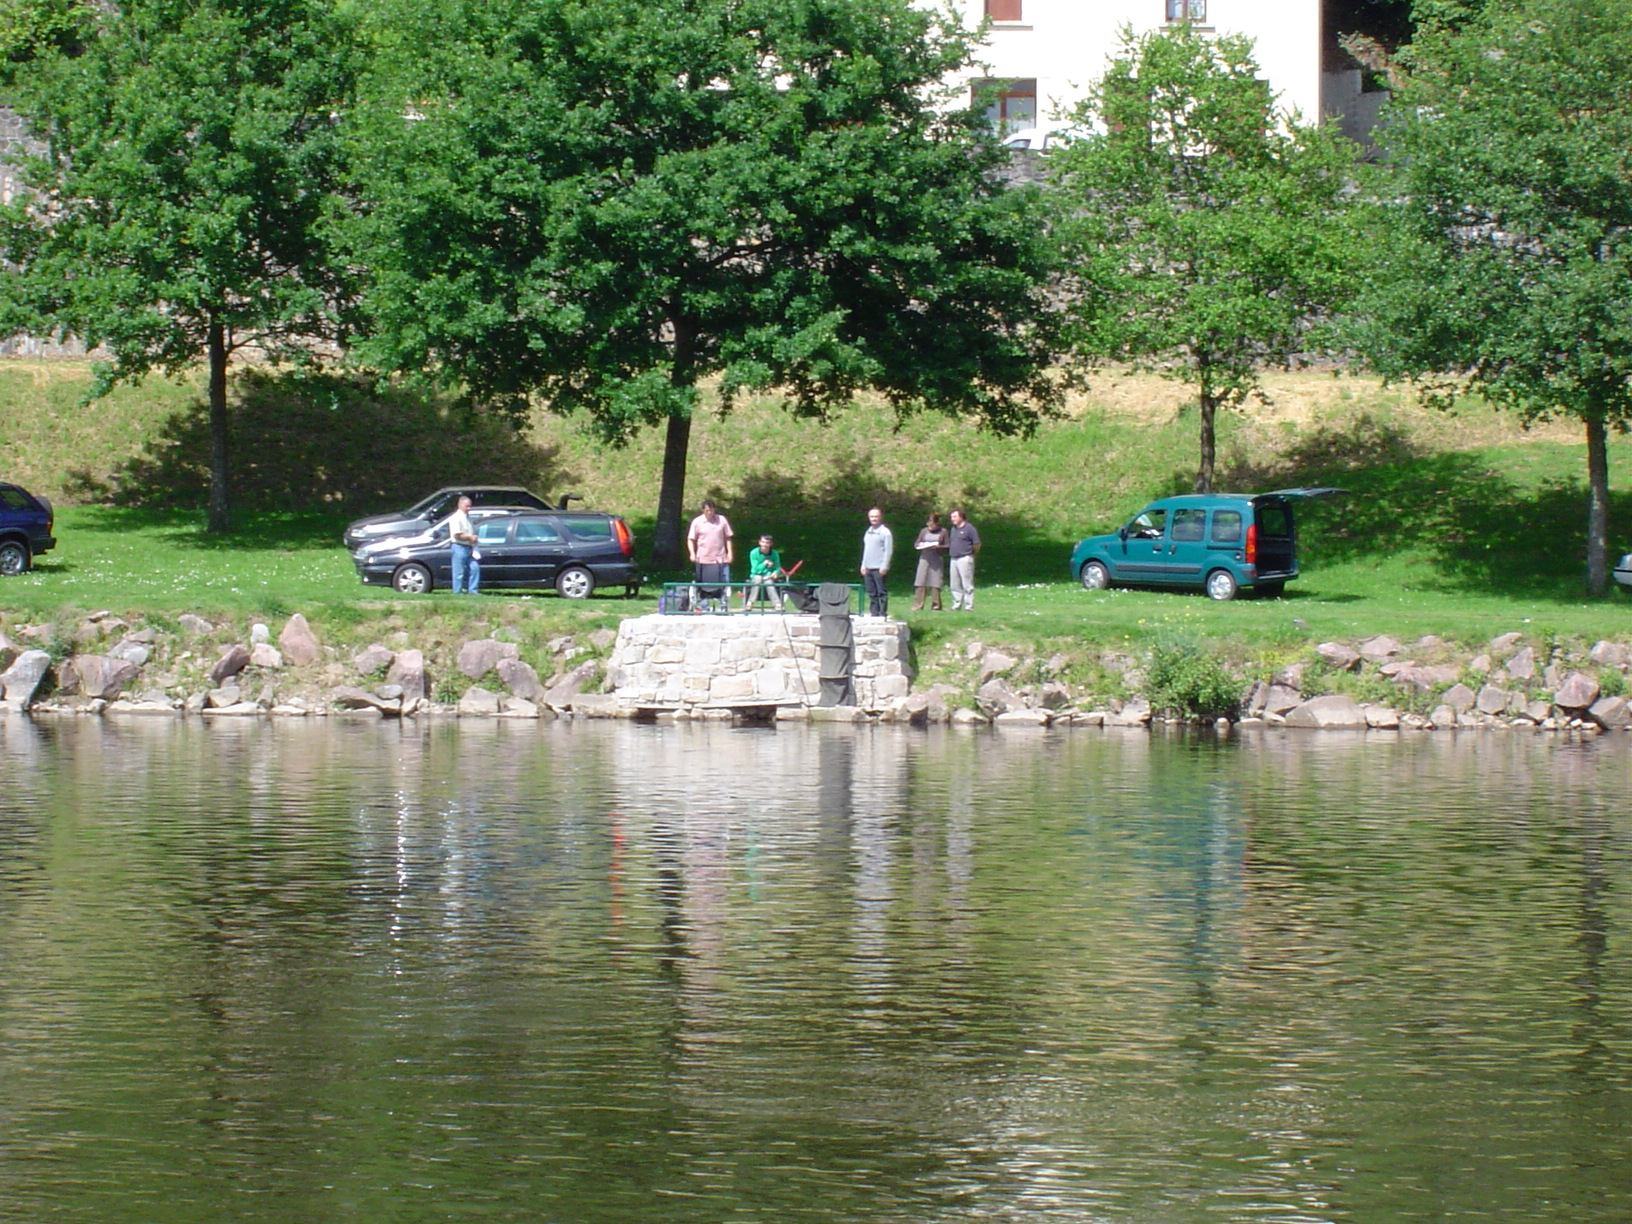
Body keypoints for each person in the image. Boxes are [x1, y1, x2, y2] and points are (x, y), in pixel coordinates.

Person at [686, 499, 734, 612]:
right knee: (703, 585)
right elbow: (690, 539)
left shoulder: (721, 520)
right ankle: (704, 607)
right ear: (703, 510)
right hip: (703, 559)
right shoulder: (697, 522)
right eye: (707, 510)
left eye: (711, 510)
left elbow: (728, 537)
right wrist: (692, 553)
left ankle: (723, 605)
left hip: (720, 558)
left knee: (724, 582)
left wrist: (730, 553)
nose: (710, 513)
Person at [859, 506, 893, 617]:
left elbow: (888, 550)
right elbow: (866, 550)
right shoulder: (868, 532)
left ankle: (882, 613)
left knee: (881, 592)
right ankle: (874, 612)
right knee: (871, 592)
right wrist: (863, 565)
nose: (874, 519)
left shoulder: (885, 532)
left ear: (880, 517)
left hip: (879, 568)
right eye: (872, 516)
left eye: (876, 516)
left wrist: (884, 566)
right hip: (868, 567)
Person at [912, 511, 949, 611]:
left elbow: (947, 546)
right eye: (928, 524)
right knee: (921, 580)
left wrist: (939, 547)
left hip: (936, 558)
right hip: (924, 557)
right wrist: (920, 545)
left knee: (935, 581)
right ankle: (918, 605)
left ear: (937, 523)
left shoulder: (943, 532)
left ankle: (936, 605)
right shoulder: (924, 531)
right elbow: (916, 543)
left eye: (932, 525)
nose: (930, 527)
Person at [947, 506, 981, 610]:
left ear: (961, 517)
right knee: (954, 584)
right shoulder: (953, 529)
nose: (952, 519)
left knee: (967, 583)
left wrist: (972, 554)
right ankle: (956, 604)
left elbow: (977, 544)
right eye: (952, 517)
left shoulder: (969, 528)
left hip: (965, 558)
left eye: (955, 517)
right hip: (954, 558)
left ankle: (969, 605)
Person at [446, 494, 480, 595]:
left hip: (469, 547)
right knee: (458, 572)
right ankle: (457, 592)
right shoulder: (456, 518)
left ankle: (473, 591)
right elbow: (457, 535)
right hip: (459, 547)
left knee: (474, 568)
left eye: (470, 506)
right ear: (460, 505)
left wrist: (473, 539)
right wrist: (470, 537)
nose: (469, 508)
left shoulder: (468, 517)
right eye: (467, 506)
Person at [743, 534, 786, 610]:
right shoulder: (754, 553)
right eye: (763, 542)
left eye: (767, 543)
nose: (765, 545)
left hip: (768, 576)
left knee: (769, 582)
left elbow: (778, 566)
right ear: (759, 542)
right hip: (756, 575)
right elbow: (755, 569)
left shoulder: (774, 553)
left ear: (770, 544)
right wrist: (764, 563)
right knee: (758, 579)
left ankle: (777, 604)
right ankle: (750, 603)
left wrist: (776, 573)